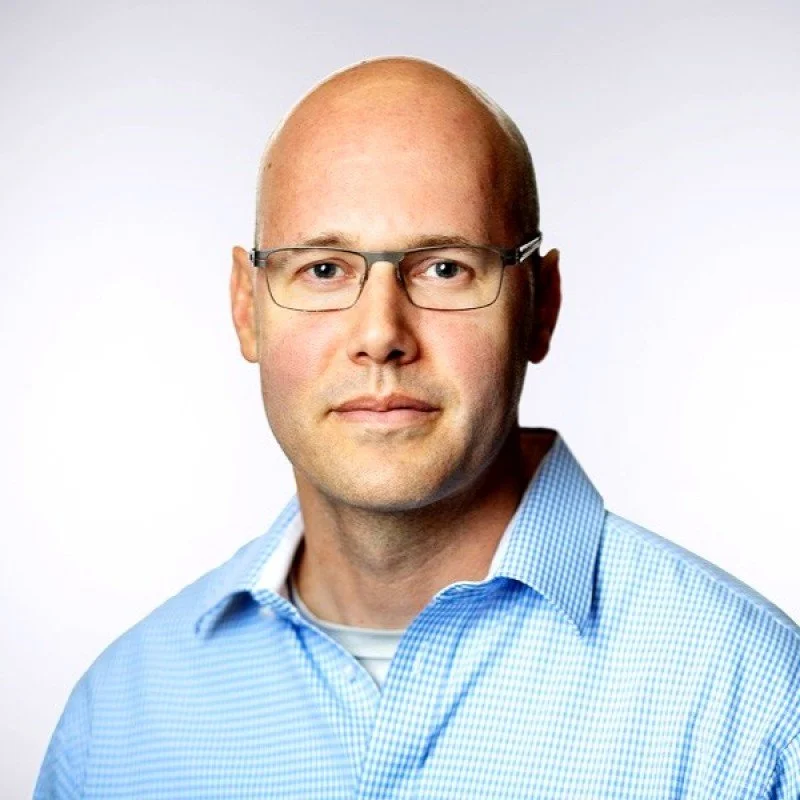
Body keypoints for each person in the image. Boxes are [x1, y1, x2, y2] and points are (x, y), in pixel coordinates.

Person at [36, 56, 799, 799]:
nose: (380, 335)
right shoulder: (115, 723)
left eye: (445, 268)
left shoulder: (756, 709)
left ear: (540, 305)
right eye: (323, 268)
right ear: (247, 307)